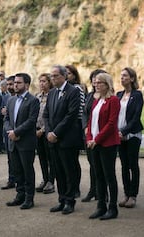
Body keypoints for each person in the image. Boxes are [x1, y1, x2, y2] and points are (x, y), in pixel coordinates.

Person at [43, 65, 83, 215]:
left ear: (64, 76)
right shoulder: (52, 92)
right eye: (51, 76)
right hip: (53, 139)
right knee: (58, 171)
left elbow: (71, 116)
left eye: (55, 76)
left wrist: (56, 133)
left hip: (67, 139)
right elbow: (46, 115)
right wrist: (48, 132)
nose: (52, 79)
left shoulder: (73, 91)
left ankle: (70, 201)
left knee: (69, 171)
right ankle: (61, 199)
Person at [86, 72, 121, 220]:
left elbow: (111, 124)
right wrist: (89, 138)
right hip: (93, 143)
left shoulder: (113, 100)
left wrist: (97, 139)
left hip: (107, 144)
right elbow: (90, 121)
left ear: (107, 84)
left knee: (109, 176)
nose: (96, 84)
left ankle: (112, 208)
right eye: (95, 82)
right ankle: (101, 206)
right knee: (98, 175)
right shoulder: (96, 100)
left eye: (100, 82)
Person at [4, 73, 40, 210]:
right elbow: (6, 119)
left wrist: (17, 132)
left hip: (26, 142)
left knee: (27, 170)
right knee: (17, 170)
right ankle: (20, 195)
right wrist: (10, 132)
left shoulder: (33, 101)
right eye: (14, 83)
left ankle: (29, 198)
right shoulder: (11, 100)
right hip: (13, 141)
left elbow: (31, 121)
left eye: (18, 83)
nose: (15, 85)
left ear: (26, 85)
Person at [116, 67, 144, 209]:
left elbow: (135, 117)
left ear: (132, 79)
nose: (122, 78)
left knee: (133, 164)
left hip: (133, 134)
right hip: (119, 135)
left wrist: (124, 131)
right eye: (121, 76)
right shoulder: (118, 94)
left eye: (125, 76)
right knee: (124, 165)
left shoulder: (137, 95)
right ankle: (126, 194)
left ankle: (133, 195)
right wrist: (117, 132)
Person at [81, 69, 107, 202]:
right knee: (93, 164)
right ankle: (93, 190)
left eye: (98, 80)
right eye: (93, 79)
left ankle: (103, 193)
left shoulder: (108, 97)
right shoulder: (90, 96)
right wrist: (86, 127)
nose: (95, 82)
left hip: (102, 136)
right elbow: (85, 113)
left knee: (104, 166)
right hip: (89, 135)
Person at [65, 64, 84, 197]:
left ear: (74, 75)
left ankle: (75, 187)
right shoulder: (62, 89)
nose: (67, 76)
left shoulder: (77, 89)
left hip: (74, 127)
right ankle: (69, 186)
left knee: (72, 160)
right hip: (64, 128)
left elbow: (79, 111)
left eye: (69, 73)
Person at [35, 73, 55, 194]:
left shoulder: (52, 96)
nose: (42, 84)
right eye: (40, 81)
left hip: (47, 131)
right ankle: (45, 179)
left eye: (44, 81)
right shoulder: (37, 96)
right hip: (36, 130)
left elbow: (51, 116)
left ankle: (51, 182)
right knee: (41, 157)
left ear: (49, 83)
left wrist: (42, 130)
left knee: (50, 158)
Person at [1, 76, 17, 190]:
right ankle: (11, 179)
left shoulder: (22, 98)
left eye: (11, 84)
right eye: (8, 84)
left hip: (19, 132)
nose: (10, 87)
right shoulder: (6, 97)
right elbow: (3, 115)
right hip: (8, 131)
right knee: (10, 157)